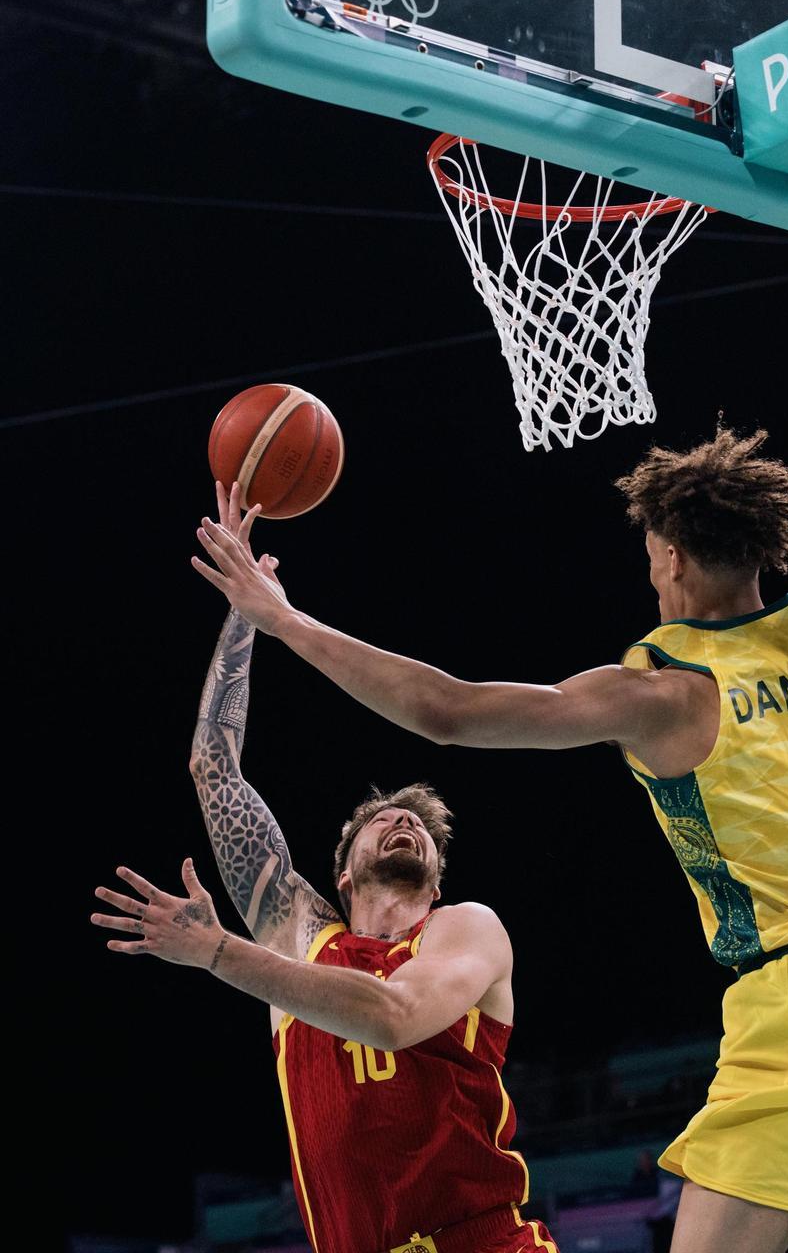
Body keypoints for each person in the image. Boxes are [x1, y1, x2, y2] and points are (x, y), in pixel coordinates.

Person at [192, 304, 788, 1253]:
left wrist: (283, 619)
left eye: (651, 563)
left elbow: (447, 709)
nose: (652, 582)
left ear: (675, 559)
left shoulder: (669, 693)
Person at [94, 494, 557, 1253]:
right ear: (342, 874)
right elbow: (213, 767)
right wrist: (246, 612)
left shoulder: (465, 929)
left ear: (435, 883)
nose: (405, 821)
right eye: (386, 818)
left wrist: (218, 951)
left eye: (422, 829)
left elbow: (394, 1015)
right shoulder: (300, 935)